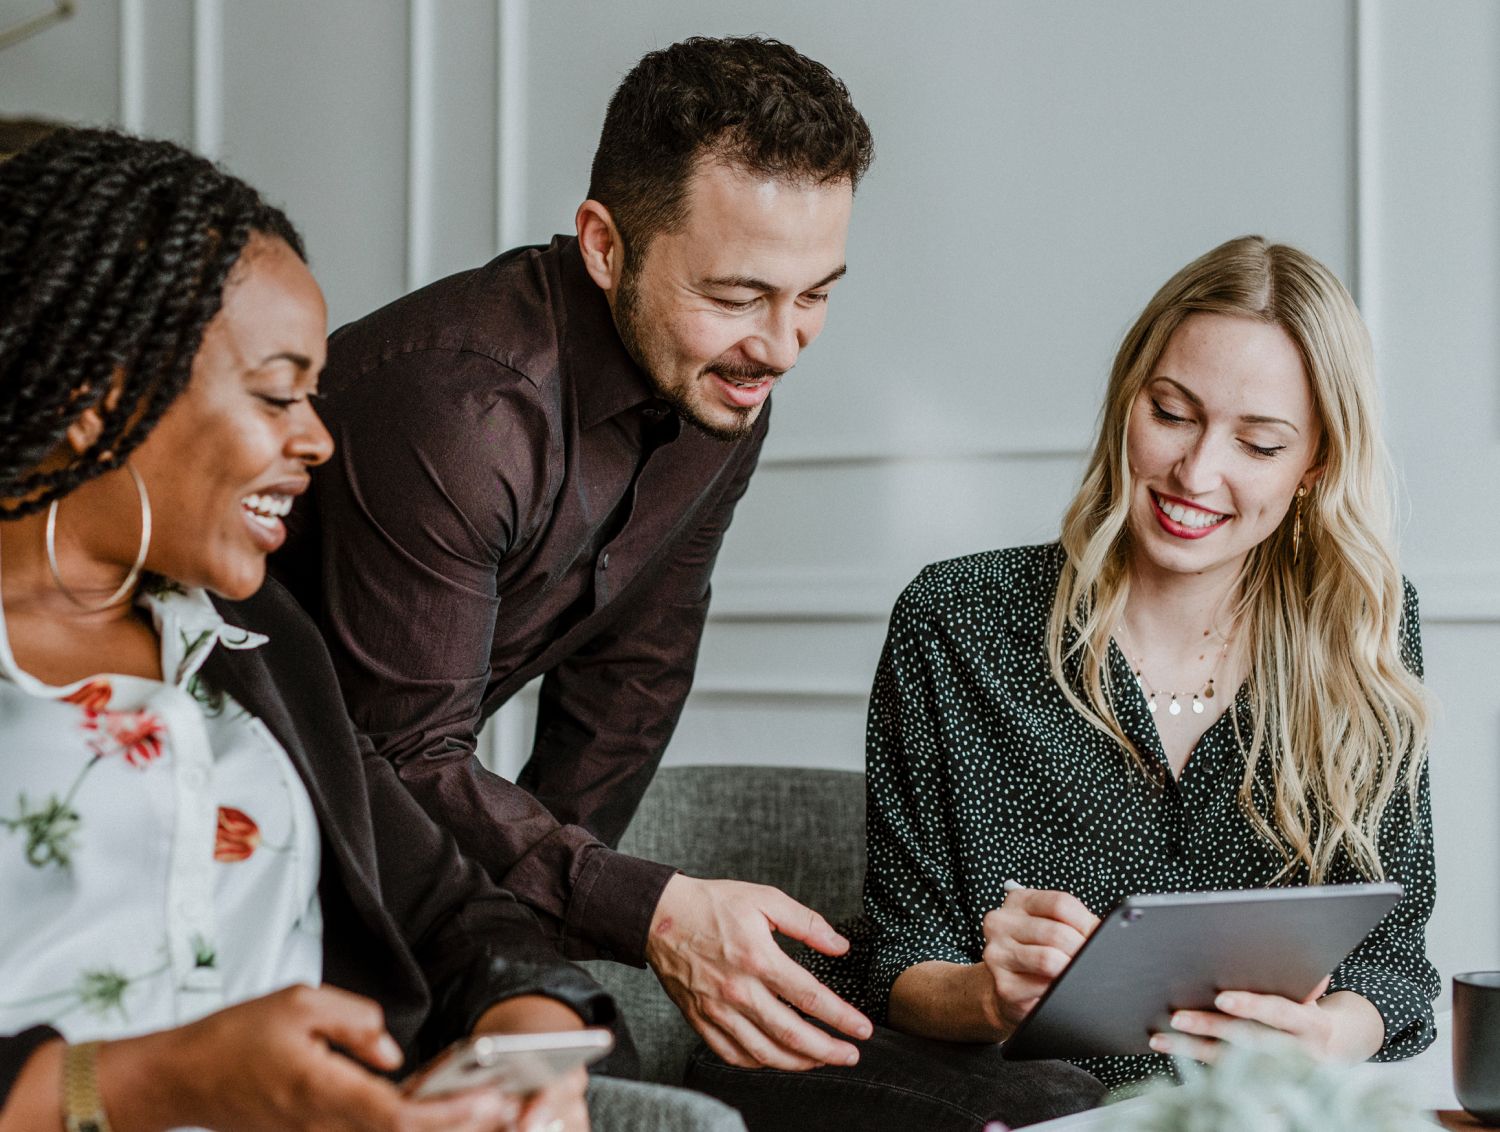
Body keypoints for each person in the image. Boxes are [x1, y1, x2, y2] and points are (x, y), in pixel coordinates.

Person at [0, 127, 744, 1132]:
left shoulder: (257, 639)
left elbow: (446, 905)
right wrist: (155, 1081)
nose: (316, 438)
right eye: (275, 395)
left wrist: (524, 1031)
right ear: (95, 397)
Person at [686, 235, 1438, 1127]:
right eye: (1172, 412)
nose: (1198, 472)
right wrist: (990, 995)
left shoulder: (1360, 636)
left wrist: (1329, 1038)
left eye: (1260, 443)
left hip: (1222, 1110)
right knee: (1063, 1102)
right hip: (974, 1090)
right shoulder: (958, 619)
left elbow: (1392, 963)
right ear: (1128, 399)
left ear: (1313, 465)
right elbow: (903, 967)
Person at [274, 35, 877, 1072]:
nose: (780, 347)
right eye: (737, 295)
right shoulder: (462, 407)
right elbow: (406, 750)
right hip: (252, 832)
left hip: (422, 858)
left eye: (815, 294)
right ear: (604, 244)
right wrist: (639, 912)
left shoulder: (722, 389)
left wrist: (535, 959)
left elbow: (630, 684)